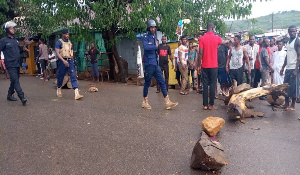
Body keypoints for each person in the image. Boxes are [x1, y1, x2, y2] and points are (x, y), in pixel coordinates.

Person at [142, 19, 178, 110]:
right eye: (151, 27)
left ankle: (167, 101)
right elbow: (146, 47)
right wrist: (156, 46)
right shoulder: (145, 37)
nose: (153, 29)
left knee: (162, 81)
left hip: (155, 64)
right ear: (149, 28)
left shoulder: (155, 38)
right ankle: (144, 101)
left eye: (154, 27)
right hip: (149, 64)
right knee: (147, 83)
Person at [0, 21, 27, 105]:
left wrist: (24, 47)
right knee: (15, 80)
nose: (13, 29)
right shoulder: (3, 41)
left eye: (13, 28)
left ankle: (9, 94)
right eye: (11, 28)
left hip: (17, 63)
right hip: (10, 64)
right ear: (7, 30)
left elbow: (19, 50)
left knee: (15, 79)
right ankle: (22, 97)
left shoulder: (15, 40)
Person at [198, 23, 222, 110]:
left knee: (204, 85)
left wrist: (198, 65)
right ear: (212, 28)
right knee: (212, 85)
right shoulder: (216, 38)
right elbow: (221, 42)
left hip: (204, 65)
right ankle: (211, 104)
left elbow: (200, 52)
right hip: (214, 66)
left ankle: (205, 105)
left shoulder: (202, 38)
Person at [55, 28, 83, 100]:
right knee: (61, 76)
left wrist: (73, 61)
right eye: (66, 34)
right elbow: (57, 53)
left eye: (68, 34)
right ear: (63, 34)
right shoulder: (59, 42)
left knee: (73, 75)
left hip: (70, 60)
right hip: (62, 61)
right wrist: (63, 61)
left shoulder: (70, 43)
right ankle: (59, 88)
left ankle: (77, 93)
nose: (67, 35)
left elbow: (71, 52)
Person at [280, 25, 300, 111]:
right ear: (288, 32)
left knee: (294, 87)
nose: (292, 33)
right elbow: (287, 56)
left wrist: (296, 70)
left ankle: (293, 105)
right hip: (288, 68)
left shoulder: (297, 41)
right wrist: (283, 67)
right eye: (291, 31)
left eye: (294, 31)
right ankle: (286, 103)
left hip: (294, 68)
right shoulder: (288, 42)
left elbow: (299, 57)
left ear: (296, 31)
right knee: (286, 86)